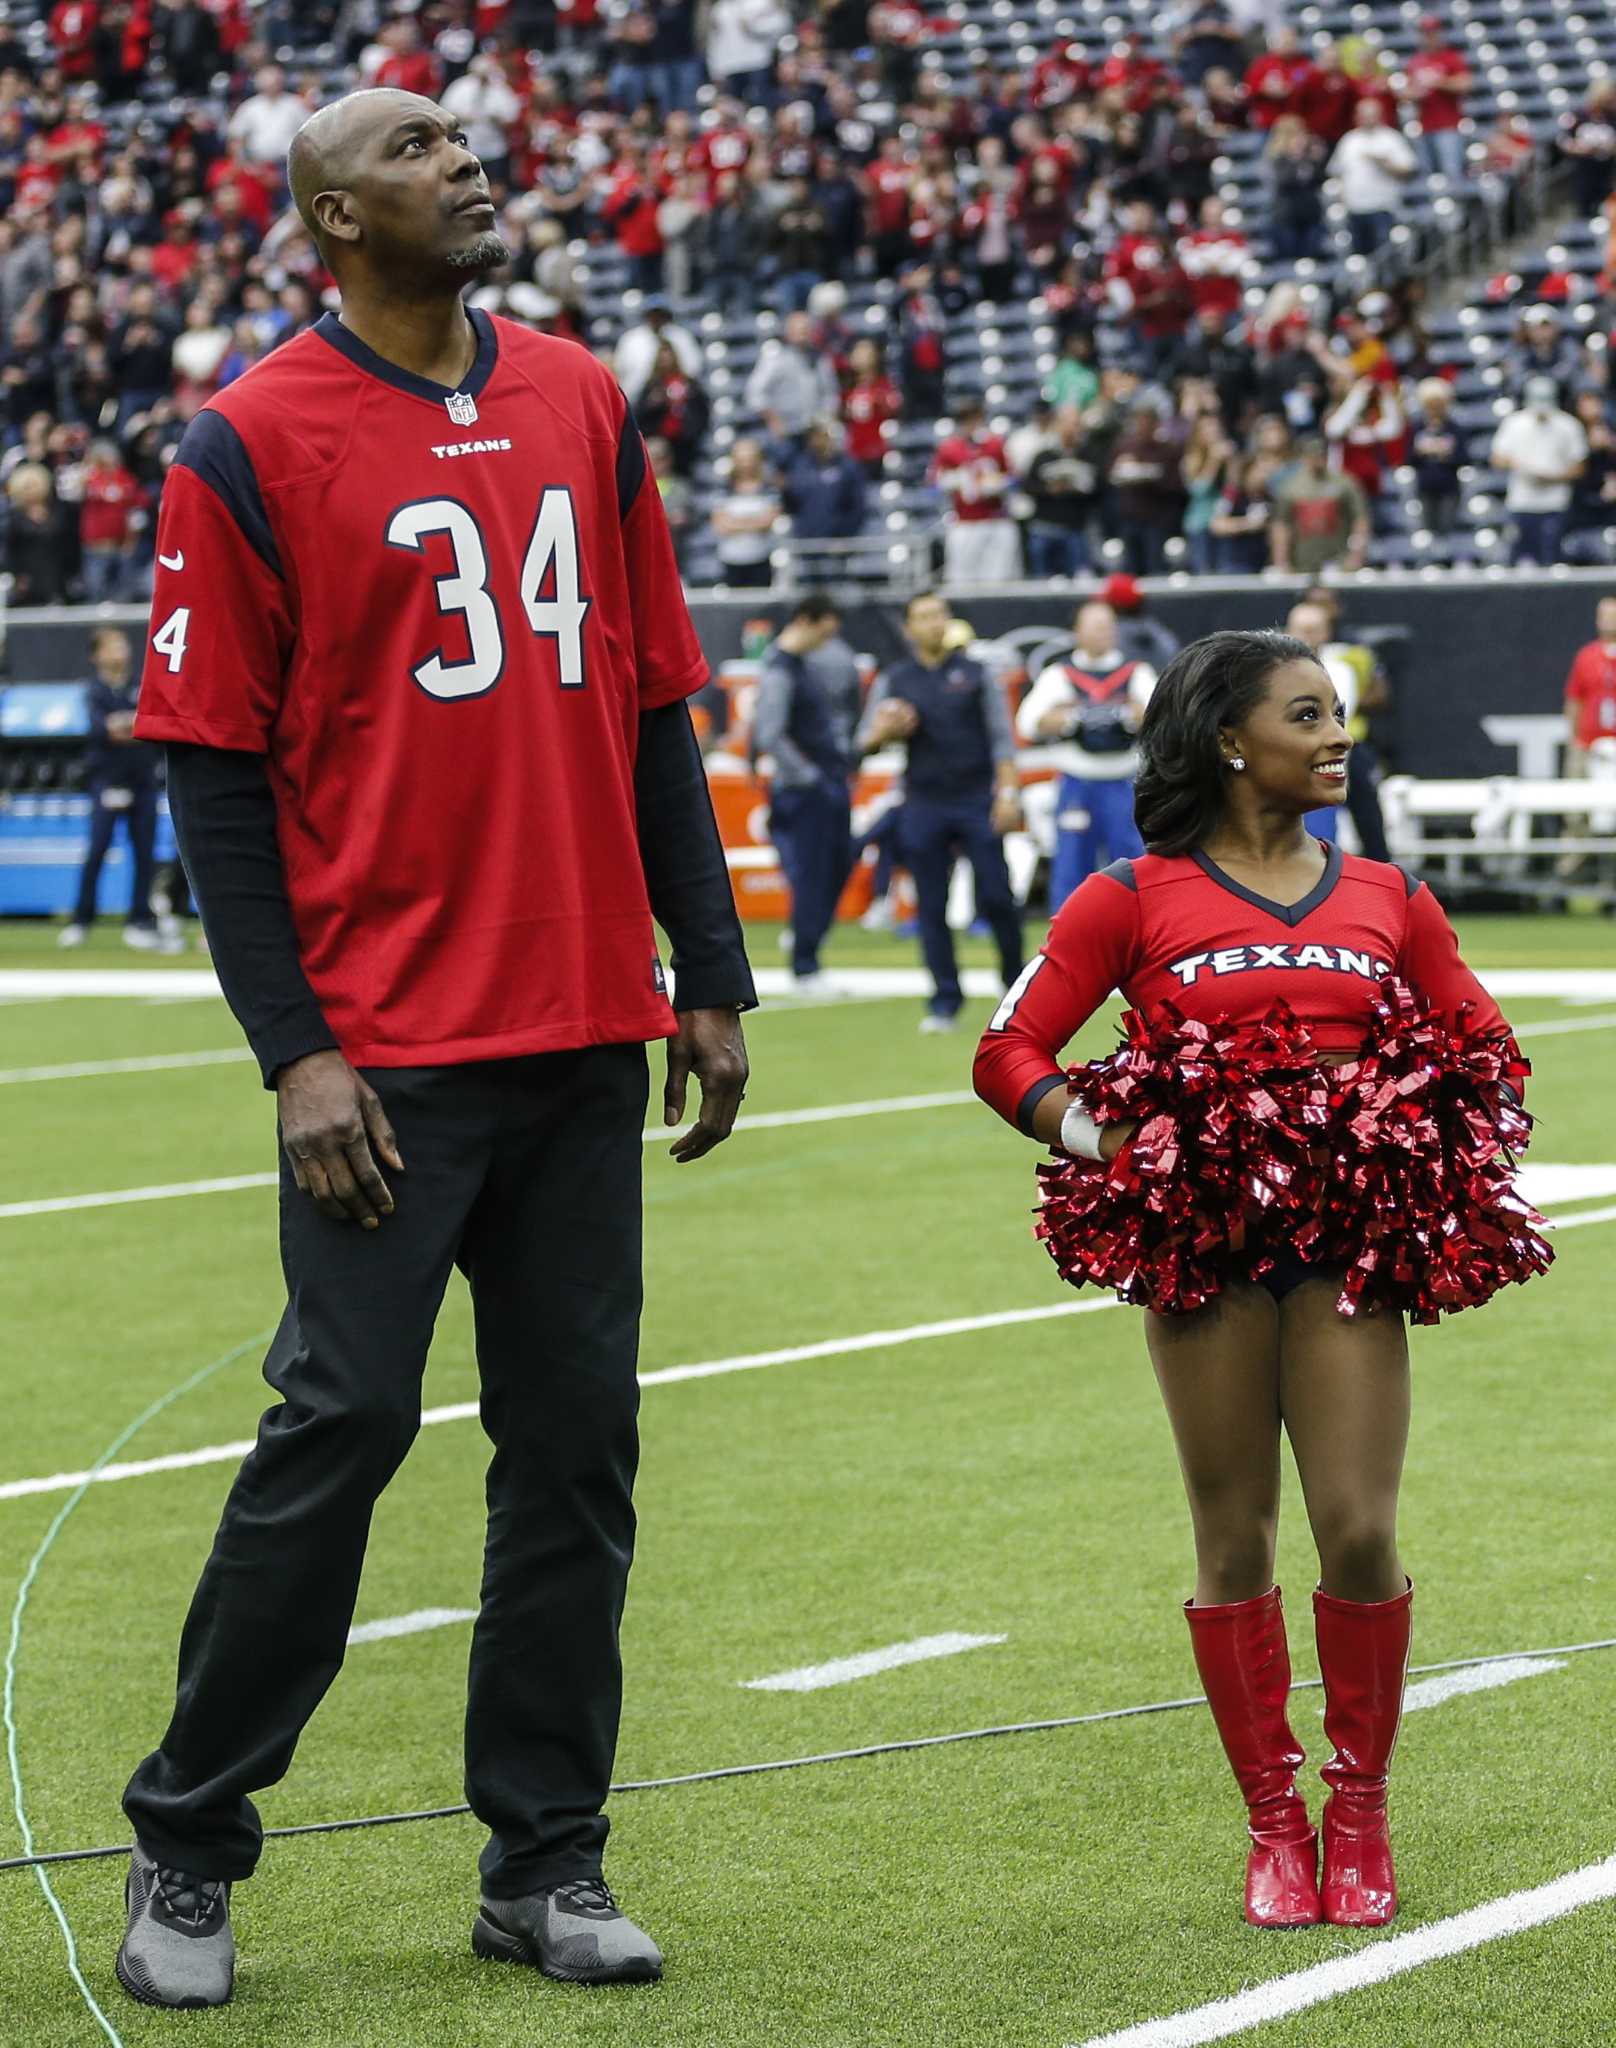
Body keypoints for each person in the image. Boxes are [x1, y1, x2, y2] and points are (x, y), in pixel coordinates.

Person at [116, 88, 756, 2011]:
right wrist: (294, 1054)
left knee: (575, 1458)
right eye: (411, 145)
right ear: (331, 215)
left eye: (466, 135)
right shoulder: (244, 438)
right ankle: (190, 1840)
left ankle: (543, 1860)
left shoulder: (579, 394)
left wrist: (704, 966)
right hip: (384, 1066)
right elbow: (217, 782)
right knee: (341, 1429)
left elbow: (651, 702)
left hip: (580, 1031)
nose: (465, 157)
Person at [974, 629, 1545, 1933]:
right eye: (1308, 714)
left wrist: (1431, 1124)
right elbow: (1011, 1051)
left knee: (1357, 1523)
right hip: (1204, 1246)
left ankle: (1361, 1809)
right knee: (1235, 1538)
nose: (1336, 734)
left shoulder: (1388, 896)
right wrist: (1110, 1133)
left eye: (1338, 713)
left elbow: (1487, 1049)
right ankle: (1275, 1826)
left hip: (1346, 1243)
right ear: (1233, 741)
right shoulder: (1129, 896)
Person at [858, 591, 1024, 1031]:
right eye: (924, 617)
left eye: (940, 615)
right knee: (931, 905)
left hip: (976, 799)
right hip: (924, 801)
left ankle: (1015, 987)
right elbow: (865, 742)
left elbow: (1001, 737)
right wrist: (884, 731)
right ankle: (944, 999)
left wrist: (1008, 793)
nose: (934, 623)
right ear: (909, 628)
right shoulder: (896, 679)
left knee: (997, 896)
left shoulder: (975, 673)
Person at [1016, 600, 1155, 909]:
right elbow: (1027, 724)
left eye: (1108, 626)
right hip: (1077, 783)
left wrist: (1130, 716)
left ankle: (1142, 934)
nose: (1103, 634)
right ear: (1077, 632)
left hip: (1124, 782)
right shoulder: (1059, 675)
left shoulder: (1136, 671)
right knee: (1071, 866)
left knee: (1134, 866)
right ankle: (1066, 938)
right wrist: (1067, 720)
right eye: (1095, 627)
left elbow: (1162, 719)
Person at [753, 593, 856, 989]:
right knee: (812, 874)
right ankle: (805, 962)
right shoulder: (781, 669)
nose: (826, 643)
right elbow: (770, 733)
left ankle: (807, 942)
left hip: (822, 782)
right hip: (805, 790)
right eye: (824, 632)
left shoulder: (800, 667)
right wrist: (808, 775)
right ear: (806, 622)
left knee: (834, 866)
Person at [58, 627, 165, 950]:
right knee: (97, 850)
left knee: (145, 853)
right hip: (106, 779)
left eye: (121, 644)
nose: (120, 651)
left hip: (143, 779)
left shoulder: (141, 686)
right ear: (96, 656)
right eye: (112, 646)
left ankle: (140, 920)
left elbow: (153, 727)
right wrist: (130, 727)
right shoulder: (94, 690)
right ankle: (82, 919)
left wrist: (126, 727)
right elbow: (104, 730)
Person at [1490, 377, 1588, 567]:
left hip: (1555, 503)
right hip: (1521, 502)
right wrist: (1523, 467)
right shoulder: (1514, 423)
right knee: (1516, 559)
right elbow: (1497, 459)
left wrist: (1551, 477)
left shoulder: (1568, 425)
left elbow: (1580, 467)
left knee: (1551, 558)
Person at [932, 397, 1019, 585]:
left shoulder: (995, 444)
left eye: (973, 418)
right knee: (961, 579)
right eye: (965, 419)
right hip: (965, 521)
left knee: (1000, 579)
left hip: (995, 519)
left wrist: (997, 484)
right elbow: (934, 484)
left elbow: (1013, 478)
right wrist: (954, 480)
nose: (970, 425)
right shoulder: (948, 448)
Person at [1328, 99, 1417, 257]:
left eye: (1371, 115)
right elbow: (1335, 171)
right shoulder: (1349, 140)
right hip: (1354, 208)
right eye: (1363, 115)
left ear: (1379, 115)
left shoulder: (1391, 138)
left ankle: (1389, 281)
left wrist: (1384, 163)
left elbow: (1408, 169)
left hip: (1382, 207)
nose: (1367, 119)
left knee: (1384, 254)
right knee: (1359, 254)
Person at [1268, 439, 1369, 576]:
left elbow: (1360, 519)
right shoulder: (1290, 487)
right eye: (1311, 455)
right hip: (1301, 561)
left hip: (1338, 561)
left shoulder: (1344, 483)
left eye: (1320, 455)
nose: (1316, 460)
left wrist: (1356, 555)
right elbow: (1281, 526)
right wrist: (1282, 562)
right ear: (1302, 457)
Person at [709, 436, 780, 588]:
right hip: (731, 561)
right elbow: (720, 526)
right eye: (742, 459)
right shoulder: (723, 489)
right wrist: (754, 522)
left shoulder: (768, 487)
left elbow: (768, 522)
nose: (746, 464)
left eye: (750, 458)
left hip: (760, 560)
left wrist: (736, 522)